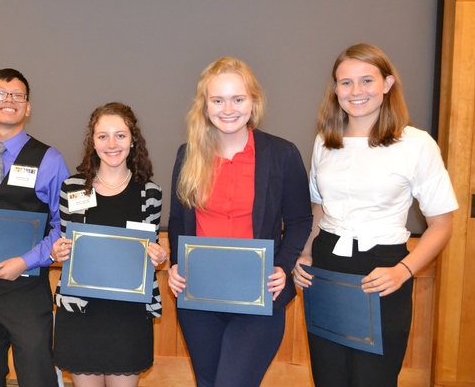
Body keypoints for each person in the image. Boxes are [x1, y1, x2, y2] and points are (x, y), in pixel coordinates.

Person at [293, 43, 458, 386]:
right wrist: (305, 253)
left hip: (383, 271)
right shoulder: (326, 141)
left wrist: (404, 271)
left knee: (374, 379)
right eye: (346, 82)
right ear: (335, 89)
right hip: (327, 268)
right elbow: (320, 208)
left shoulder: (415, 144)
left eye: (367, 80)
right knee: (328, 378)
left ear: (387, 84)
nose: (356, 91)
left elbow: (442, 224)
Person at [167, 57, 313, 387]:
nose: (228, 109)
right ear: (205, 105)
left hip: (259, 295)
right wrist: (177, 265)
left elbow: (301, 220)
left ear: (254, 101)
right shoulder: (187, 155)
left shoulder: (282, 154)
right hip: (198, 296)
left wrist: (282, 266)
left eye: (238, 99)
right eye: (217, 100)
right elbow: (177, 221)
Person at [0, 68, 69, 387]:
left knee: (37, 377)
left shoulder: (50, 159)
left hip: (26, 289)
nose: (9, 101)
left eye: (18, 96)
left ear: (28, 107)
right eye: (0, 94)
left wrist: (25, 261)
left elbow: (64, 228)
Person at [50, 102, 167, 387]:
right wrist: (58, 251)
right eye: (103, 136)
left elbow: (148, 248)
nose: (111, 144)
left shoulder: (149, 193)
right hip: (81, 312)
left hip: (127, 314)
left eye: (120, 135)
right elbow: (66, 242)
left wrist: (158, 255)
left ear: (133, 140)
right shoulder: (72, 188)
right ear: (92, 141)